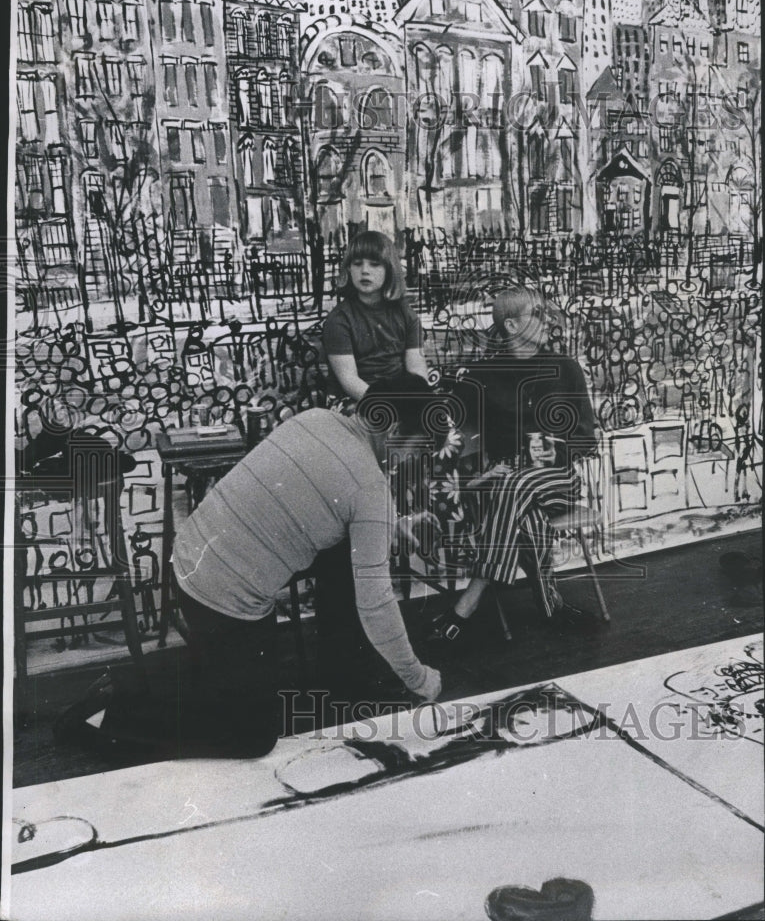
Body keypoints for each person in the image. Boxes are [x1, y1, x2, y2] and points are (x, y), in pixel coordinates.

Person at [56, 375, 445, 761]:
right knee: (252, 736)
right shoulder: (370, 487)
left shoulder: (315, 419)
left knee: (345, 557)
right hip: (224, 602)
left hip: (192, 559)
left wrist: (389, 529)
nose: (411, 460)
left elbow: (313, 502)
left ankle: (342, 677)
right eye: (416, 449)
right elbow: (376, 602)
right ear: (393, 427)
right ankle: (114, 711)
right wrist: (417, 677)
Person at [429, 286, 598, 643]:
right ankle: (552, 607)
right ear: (509, 325)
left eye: (545, 313)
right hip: (508, 480)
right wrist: (478, 473)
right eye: (536, 314)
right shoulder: (484, 376)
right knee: (527, 514)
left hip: (558, 477)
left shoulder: (564, 368)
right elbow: (451, 424)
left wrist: (552, 451)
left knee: (516, 486)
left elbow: (587, 437)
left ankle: (469, 602)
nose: (546, 320)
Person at [322, 230, 429, 404]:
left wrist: (418, 398)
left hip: (398, 393)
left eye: (374, 264)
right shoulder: (339, 320)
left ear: (389, 269)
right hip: (356, 397)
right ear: (349, 268)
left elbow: (416, 367)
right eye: (357, 264)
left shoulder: (405, 314)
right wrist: (387, 405)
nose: (365, 271)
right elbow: (349, 380)